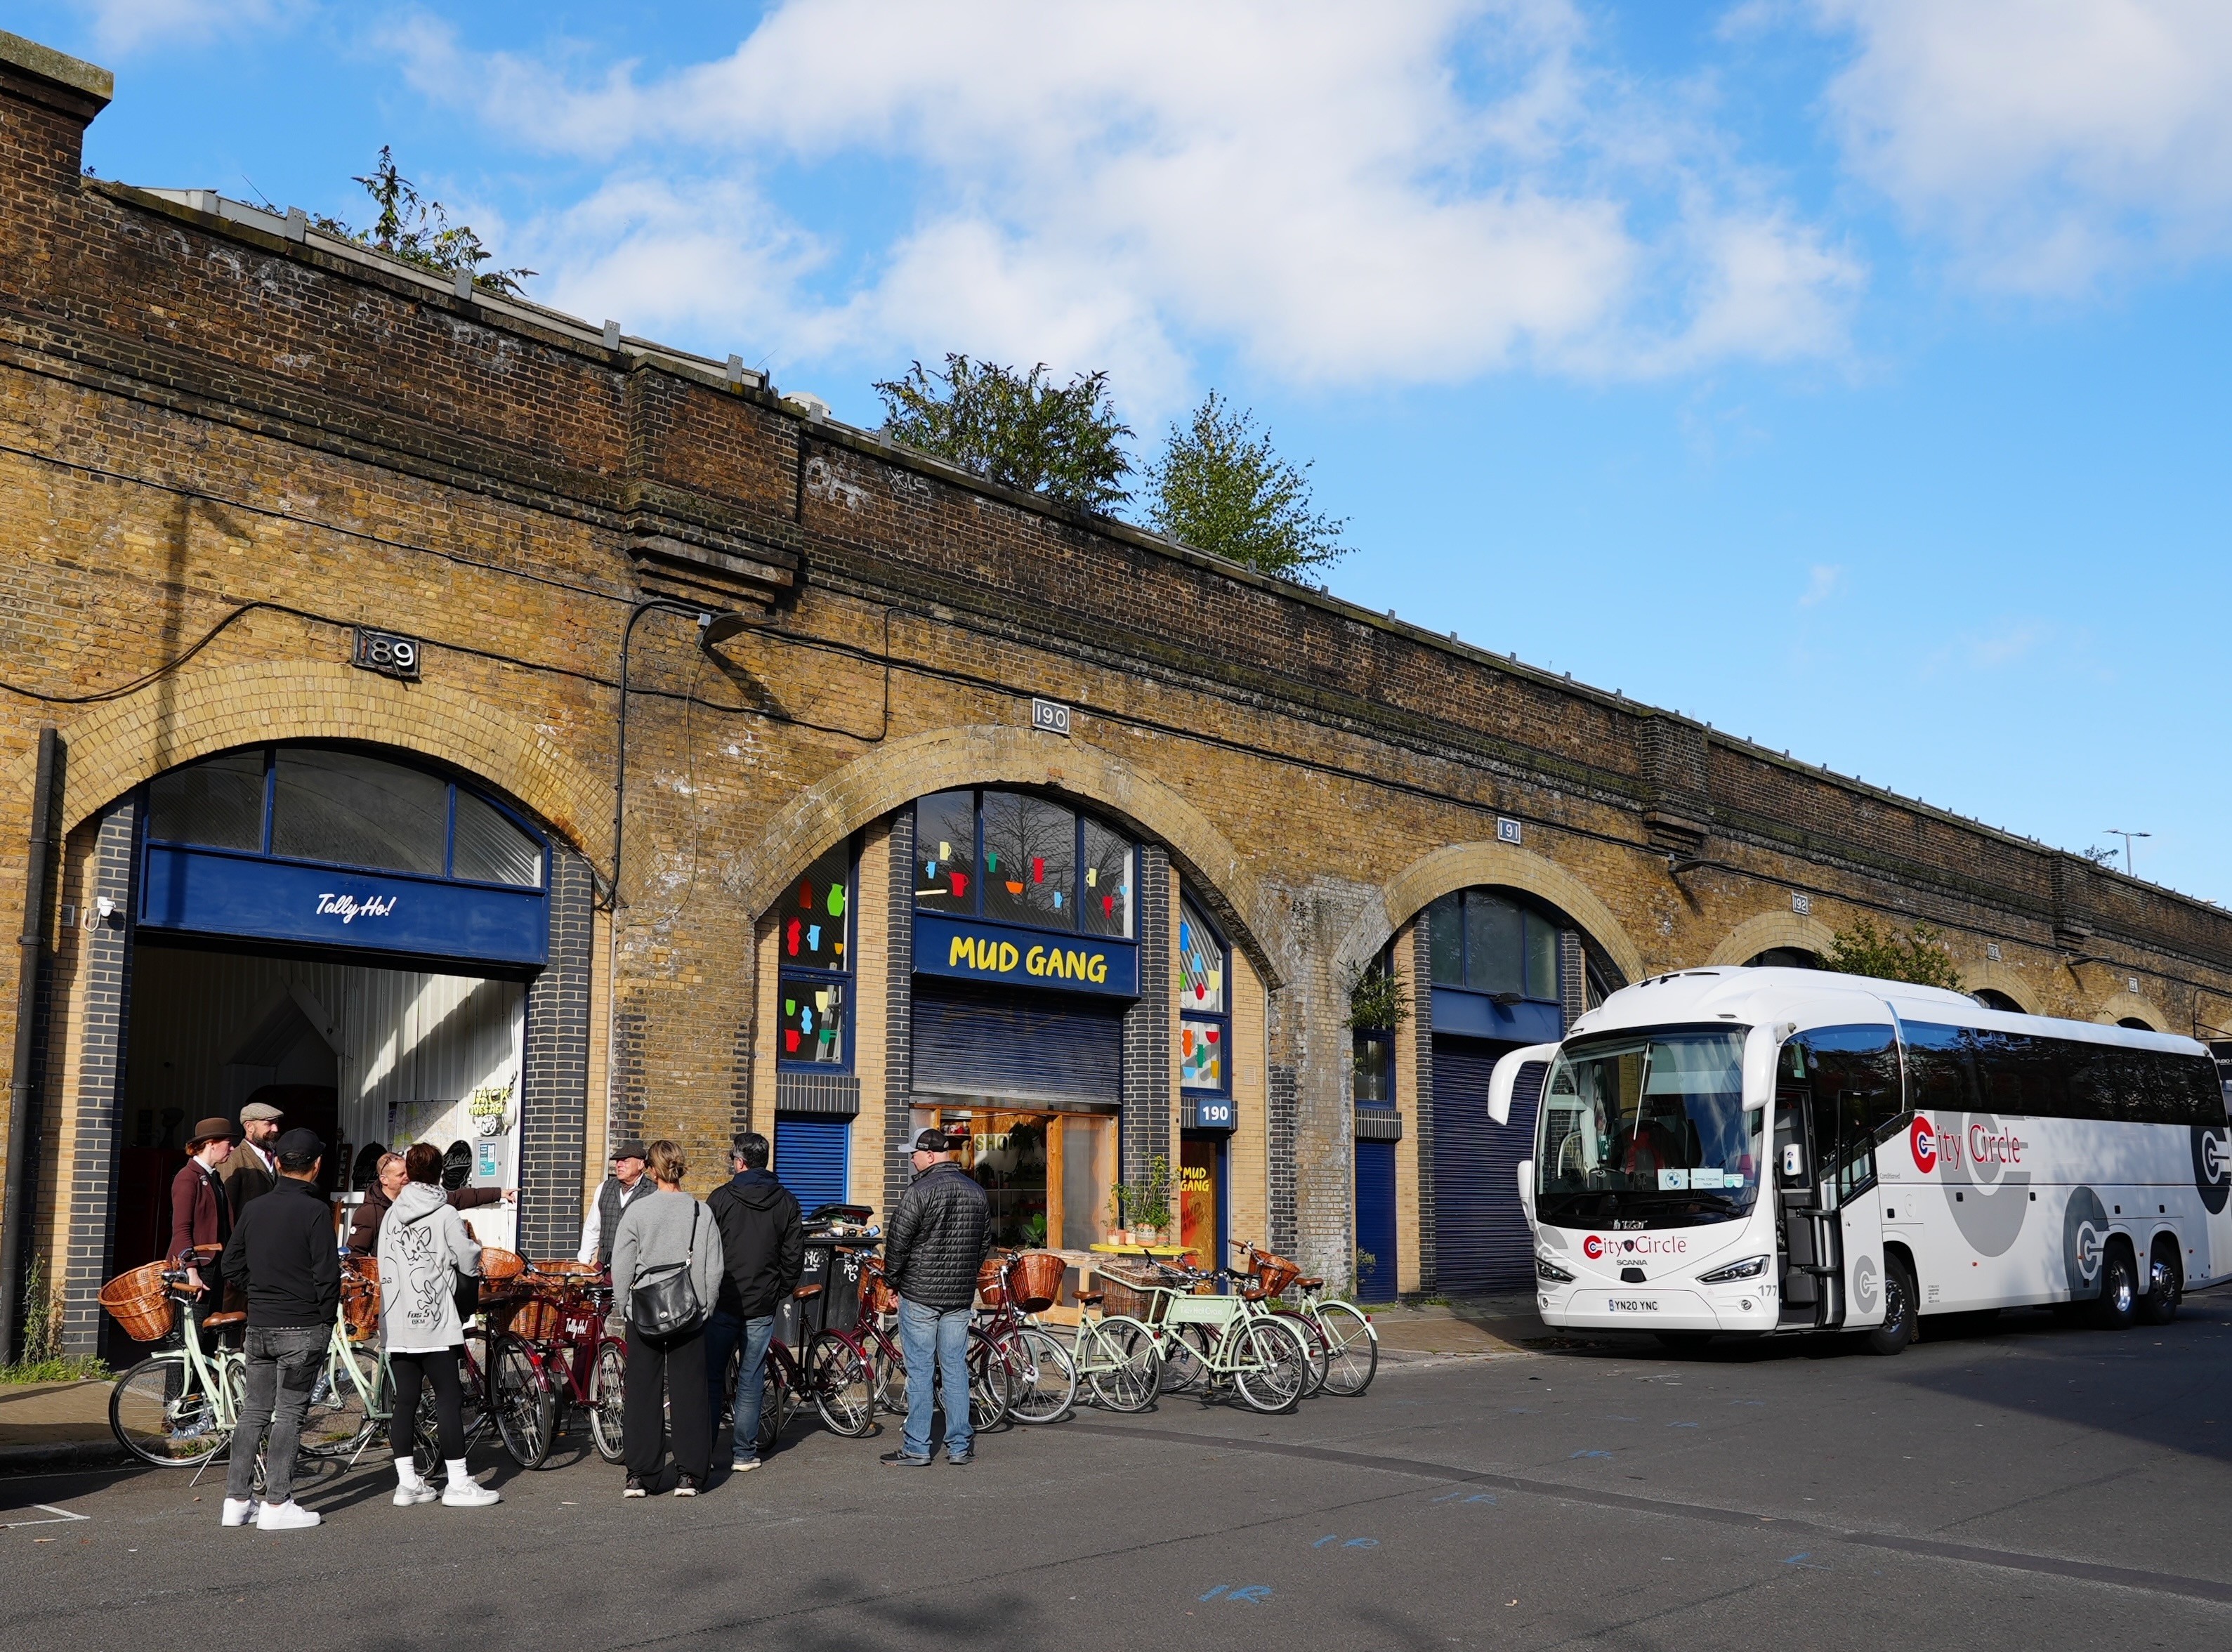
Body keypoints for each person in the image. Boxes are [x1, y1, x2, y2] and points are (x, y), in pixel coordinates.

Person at [216, 1127, 339, 1530]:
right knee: (289, 1414)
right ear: (316, 1165)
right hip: (302, 1325)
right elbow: (327, 1276)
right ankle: (277, 1502)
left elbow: (230, 1265)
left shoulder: (255, 1209)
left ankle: (236, 1500)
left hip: (260, 1326)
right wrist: (325, 1318)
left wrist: (259, 1290)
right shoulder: (316, 1211)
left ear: (279, 1163)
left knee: (253, 1411)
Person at [376, 1142, 501, 1510]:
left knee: (405, 1400)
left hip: (398, 1319)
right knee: (449, 1397)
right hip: (433, 1319)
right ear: (440, 1172)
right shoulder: (445, 1212)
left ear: (409, 1174)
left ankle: (407, 1483)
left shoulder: (391, 1214)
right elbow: (466, 1257)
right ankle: (458, 1483)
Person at [611, 1139, 723, 1498]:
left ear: (651, 1171)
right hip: (689, 1310)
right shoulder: (700, 1211)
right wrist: (705, 1307)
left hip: (644, 1310)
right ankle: (690, 1475)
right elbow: (713, 1268)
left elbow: (621, 1264)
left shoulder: (638, 1211)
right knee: (690, 1392)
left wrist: (625, 1305)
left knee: (642, 1392)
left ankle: (640, 1476)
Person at [879, 1128, 990, 1469]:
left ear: (929, 1155)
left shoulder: (919, 1191)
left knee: (921, 1371)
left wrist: (892, 1282)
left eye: (914, 1154)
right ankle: (959, 1446)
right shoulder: (976, 1191)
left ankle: (917, 1446)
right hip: (958, 1296)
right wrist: (964, 1276)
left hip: (920, 1293)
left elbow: (898, 1242)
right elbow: (984, 1243)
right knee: (955, 1369)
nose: (911, 1160)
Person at [703, 1133, 803, 1475]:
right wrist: (779, 1290)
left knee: (712, 1378)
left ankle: (703, 1452)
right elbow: (793, 1255)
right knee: (750, 1378)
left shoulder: (720, 1198)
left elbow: (704, 1250)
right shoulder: (786, 1200)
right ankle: (744, 1453)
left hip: (723, 1301)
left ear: (740, 1162)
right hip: (761, 1302)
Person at [348, 1150, 512, 1254]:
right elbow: (356, 1255)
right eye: (400, 1175)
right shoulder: (368, 1213)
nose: (407, 1177)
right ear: (384, 1180)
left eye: (408, 1172)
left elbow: (457, 1198)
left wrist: (498, 1193)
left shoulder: (420, 1198)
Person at [167, 1117, 235, 1302]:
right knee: (195, 1321)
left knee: (214, 1320)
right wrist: (192, 1271)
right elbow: (181, 1229)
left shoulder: (214, 1177)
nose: (232, 1148)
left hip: (215, 1267)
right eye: (228, 1143)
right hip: (197, 1270)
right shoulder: (187, 1177)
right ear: (211, 1143)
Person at [578, 1141, 658, 1270]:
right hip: (605, 1268)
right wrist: (584, 1264)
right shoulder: (604, 1188)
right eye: (617, 1161)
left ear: (641, 1164)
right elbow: (592, 1228)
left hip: (637, 1270)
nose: (619, 1165)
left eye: (625, 1161)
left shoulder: (654, 1192)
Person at [220, 1100, 284, 1221]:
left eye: (276, 1123)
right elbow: (227, 1208)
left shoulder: (280, 1156)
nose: (275, 1129)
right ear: (250, 1127)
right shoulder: (233, 1159)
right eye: (269, 1124)